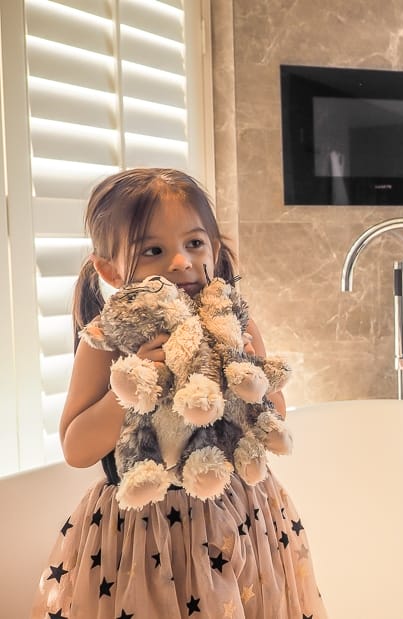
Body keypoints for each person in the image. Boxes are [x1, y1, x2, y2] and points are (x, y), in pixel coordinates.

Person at [31, 168, 327, 619]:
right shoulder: (106, 341)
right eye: (153, 250)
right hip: (143, 532)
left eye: (194, 243)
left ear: (214, 247)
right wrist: (134, 382)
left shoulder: (237, 326)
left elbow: (275, 419)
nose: (180, 262)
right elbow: (75, 447)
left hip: (239, 514)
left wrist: (247, 373)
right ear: (109, 269)